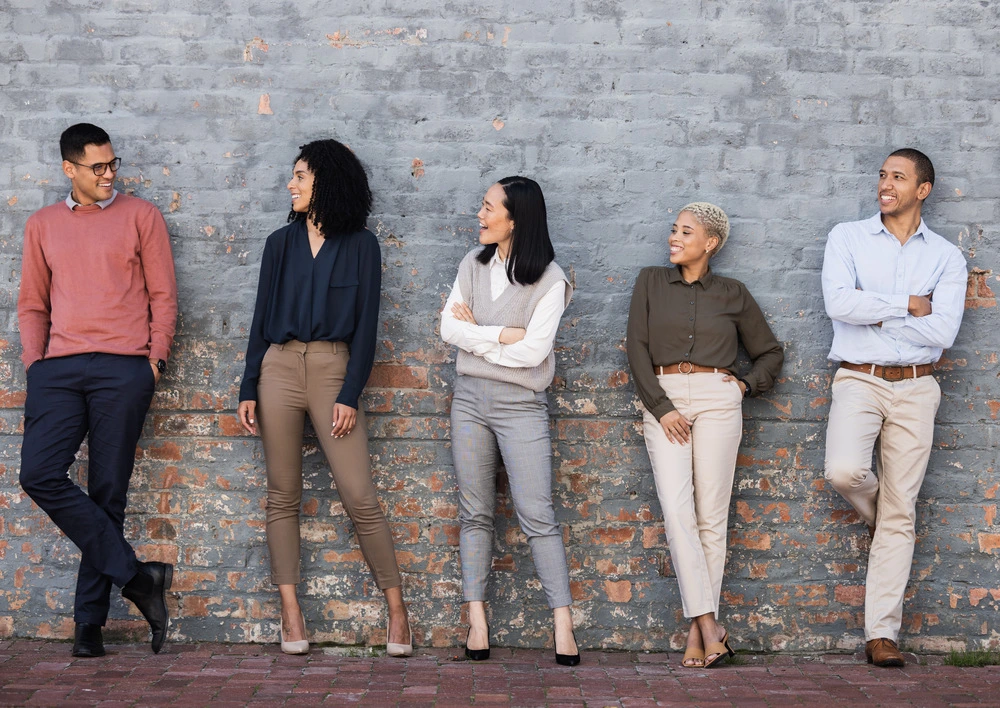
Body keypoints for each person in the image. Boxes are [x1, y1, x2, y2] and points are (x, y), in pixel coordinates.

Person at [236, 139, 411, 656]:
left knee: (360, 496)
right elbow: (258, 320)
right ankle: (291, 613)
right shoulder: (278, 245)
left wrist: (350, 394)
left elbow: (367, 328)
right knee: (282, 494)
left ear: (326, 183)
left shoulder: (361, 246)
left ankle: (398, 612)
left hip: (335, 369)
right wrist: (249, 384)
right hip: (279, 368)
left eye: (300, 177)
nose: (291, 185)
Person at [18, 123, 178, 657]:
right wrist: (35, 365)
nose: (110, 174)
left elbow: (164, 294)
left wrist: (153, 362)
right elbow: (32, 304)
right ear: (70, 169)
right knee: (38, 472)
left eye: (113, 164)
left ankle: (89, 626)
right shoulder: (42, 225)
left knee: (107, 493)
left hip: (123, 369)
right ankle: (139, 578)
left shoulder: (141, 217)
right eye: (98, 167)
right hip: (57, 371)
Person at [822, 148, 967, 667]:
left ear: (922, 189)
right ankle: (886, 522)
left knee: (903, 510)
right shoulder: (848, 237)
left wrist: (874, 307)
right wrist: (907, 304)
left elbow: (943, 331)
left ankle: (881, 634)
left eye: (898, 177)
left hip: (917, 385)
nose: (886, 184)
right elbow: (839, 304)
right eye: (883, 175)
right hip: (859, 380)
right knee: (844, 471)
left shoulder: (946, 257)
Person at [626, 202, 783, 668]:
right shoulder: (651, 281)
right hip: (665, 396)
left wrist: (743, 385)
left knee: (711, 518)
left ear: (710, 243)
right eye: (674, 229)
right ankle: (711, 624)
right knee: (678, 511)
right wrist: (661, 407)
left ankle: (698, 634)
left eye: (686, 232)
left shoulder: (734, 293)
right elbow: (635, 346)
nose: (674, 237)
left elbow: (770, 353)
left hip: (718, 400)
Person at [440, 176, 580, 666]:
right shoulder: (471, 265)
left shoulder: (551, 280)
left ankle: (563, 625)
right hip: (470, 402)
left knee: (537, 514)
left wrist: (474, 335)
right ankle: (476, 624)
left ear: (516, 218)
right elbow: (447, 328)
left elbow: (535, 352)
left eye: (487, 207)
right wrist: (499, 334)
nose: (479, 215)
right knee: (474, 512)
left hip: (521, 406)